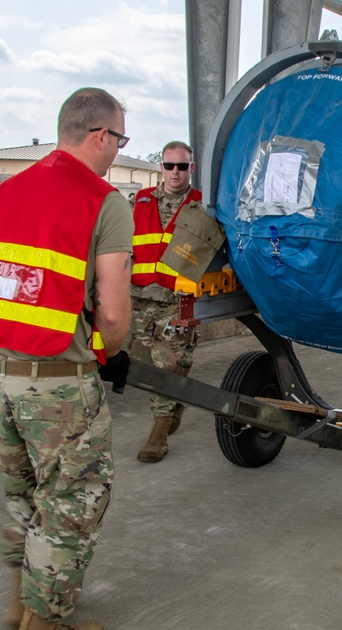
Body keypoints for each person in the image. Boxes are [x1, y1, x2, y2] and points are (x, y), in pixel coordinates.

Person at [0, 87, 133, 630]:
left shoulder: (5, 191)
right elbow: (111, 312)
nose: (117, 152)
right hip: (58, 383)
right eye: (120, 140)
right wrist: (114, 351)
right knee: (74, 502)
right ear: (100, 136)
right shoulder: (103, 201)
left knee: (23, 494)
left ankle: (19, 603)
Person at [125, 140, 203, 463]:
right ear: (161, 167)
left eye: (181, 167)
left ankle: (158, 434)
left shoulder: (202, 206)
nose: (175, 173)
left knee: (168, 365)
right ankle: (175, 404)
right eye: (169, 166)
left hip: (177, 300)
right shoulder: (139, 201)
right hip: (140, 297)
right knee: (143, 365)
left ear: (191, 169)